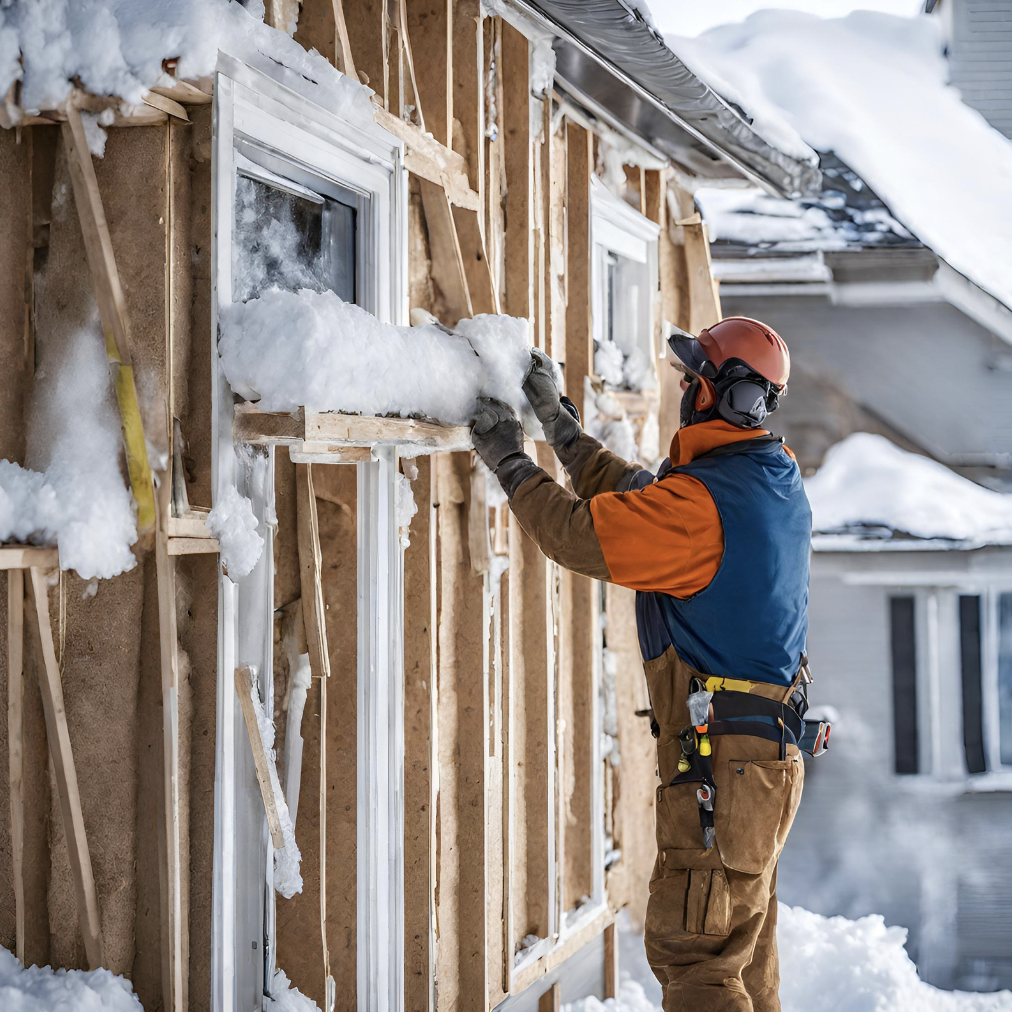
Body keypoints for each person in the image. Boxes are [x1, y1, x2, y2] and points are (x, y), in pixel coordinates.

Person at [470, 317, 813, 1012]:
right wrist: (564, 436)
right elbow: (645, 501)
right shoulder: (762, 478)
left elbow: (579, 535)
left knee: (698, 960)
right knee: (740, 963)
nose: (683, 389)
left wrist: (511, 461)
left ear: (729, 398)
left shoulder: (706, 504)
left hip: (728, 771)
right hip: (762, 768)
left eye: (694, 380)